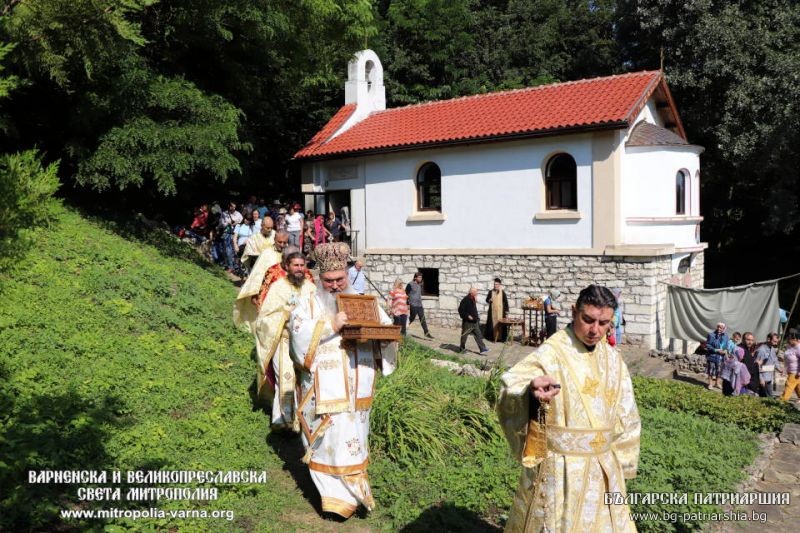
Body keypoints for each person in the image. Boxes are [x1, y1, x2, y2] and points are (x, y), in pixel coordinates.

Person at [497, 285, 640, 533]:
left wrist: (624, 462)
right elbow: (510, 386)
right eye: (588, 320)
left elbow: (627, 412)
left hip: (604, 469)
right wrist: (531, 393)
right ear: (574, 312)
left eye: (603, 323)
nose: (595, 330)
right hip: (560, 472)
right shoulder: (552, 352)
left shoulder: (614, 359)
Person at [288, 242, 397, 518]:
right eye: (329, 281)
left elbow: (384, 330)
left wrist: (386, 331)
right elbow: (298, 339)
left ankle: (352, 495)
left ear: (347, 276)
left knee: (354, 439)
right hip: (325, 391)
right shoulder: (307, 304)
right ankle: (333, 500)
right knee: (329, 442)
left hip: (356, 391)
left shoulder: (362, 302)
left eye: (340, 279)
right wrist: (331, 326)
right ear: (318, 279)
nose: (335, 286)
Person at [254, 248, 316, 429]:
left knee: (304, 380)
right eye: (295, 265)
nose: (299, 269)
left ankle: (303, 419)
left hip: (305, 344)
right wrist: (285, 314)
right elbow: (265, 316)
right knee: (286, 378)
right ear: (287, 267)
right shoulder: (278, 287)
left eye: (302, 265)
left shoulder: (311, 287)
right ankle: (283, 420)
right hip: (284, 340)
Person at [233, 230, 287, 333]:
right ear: (274, 240)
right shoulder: (267, 254)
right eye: (280, 242)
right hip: (267, 292)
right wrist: (255, 294)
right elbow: (257, 274)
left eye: (284, 242)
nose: (282, 245)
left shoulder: (288, 254)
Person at [459, 288, 489, 355]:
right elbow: (460, 310)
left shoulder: (473, 299)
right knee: (464, 336)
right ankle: (462, 348)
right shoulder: (465, 300)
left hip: (475, 322)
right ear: (471, 292)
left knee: (478, 335)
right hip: (468, 323)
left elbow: (473, 310)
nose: (477, 293)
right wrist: (467, 316)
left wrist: (477, 318)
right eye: (475, 292)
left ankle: (482, 349)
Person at [406, 272, 433, 339]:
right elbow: (405, 294)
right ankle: (403, 327)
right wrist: (407, 304)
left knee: (422, 318)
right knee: (412, 318)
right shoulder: (410, 284)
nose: (420, 278)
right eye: (419, 277)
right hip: (413, 304)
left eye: (421, 277)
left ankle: (426, 333)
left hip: (419, 304)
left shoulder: (420, 285)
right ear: (415, 277)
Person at [755, 332, 781, 397]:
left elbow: (775, 359)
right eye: (774, 341)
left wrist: (779, 368)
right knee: (766, 396)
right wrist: (761, 379)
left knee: (768, 396)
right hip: (763, 378)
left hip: (769, 376)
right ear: (768, 339)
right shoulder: (761, 350)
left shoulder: (772, 348)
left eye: (777, 342)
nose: (776, 343)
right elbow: (757, 365)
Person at [705, 322, 729, 389]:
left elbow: (726, 346)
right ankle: (710, 384)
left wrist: (725, 350)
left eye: (721, 328)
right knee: (711, 370)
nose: (719, 329)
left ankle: (717, 383)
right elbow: (707, 345)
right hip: (712, 355)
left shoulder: (726, 336)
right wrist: (716, 350)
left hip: (721, 357)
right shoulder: (711, 335)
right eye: (718, 327)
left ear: (724, 329)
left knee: (719, 370)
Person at [720, 331, 742, 396]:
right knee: (726, 375)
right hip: (727, 359)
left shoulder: (735, 344)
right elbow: (726, 350)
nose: (737, 340)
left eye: (738, 339)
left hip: (731, 359)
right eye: (736, 338)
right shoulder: (730, 342)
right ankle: (726, 391)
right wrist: (727, 357)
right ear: (733, 337)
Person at [781, 329, 800, 401]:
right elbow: (786, 359)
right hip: (790, 370)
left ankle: (782, 400)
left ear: (795, 339)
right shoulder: (789, 346)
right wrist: (784, 369)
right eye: (788, 338)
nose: (788, 340)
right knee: (797, 386)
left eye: (790, 338)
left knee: (789, 385)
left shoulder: (799, 348)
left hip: (795, 372)